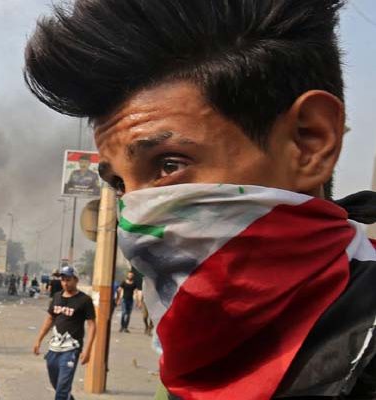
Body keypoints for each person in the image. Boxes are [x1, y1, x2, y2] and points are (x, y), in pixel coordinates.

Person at [24, 1, 376, 398]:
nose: (134, 223)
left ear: (309, 141)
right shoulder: (186, 364)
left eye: (169, 165)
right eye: (120, 186)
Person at [33, 266, 96, 400]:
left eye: (68, 280)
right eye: (63, 280)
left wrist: (88, 350)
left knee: (61, 390)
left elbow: (92, 325)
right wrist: (38, 340)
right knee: (57, 385)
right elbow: (50, 319)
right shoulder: (57, 297)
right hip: (54, 348)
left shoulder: (84, 300)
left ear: (76, 280)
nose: (65, 283)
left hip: (71, 350)